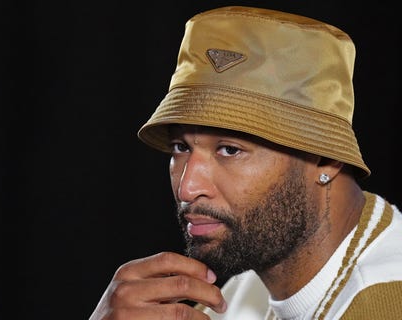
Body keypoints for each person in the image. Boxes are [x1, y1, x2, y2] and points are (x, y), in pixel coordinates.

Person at [89, 5, 401, 320]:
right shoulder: (245, 292)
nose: (187, 188)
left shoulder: (386, 300)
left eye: (229, 150)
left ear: (326, 158)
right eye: (180, 147)